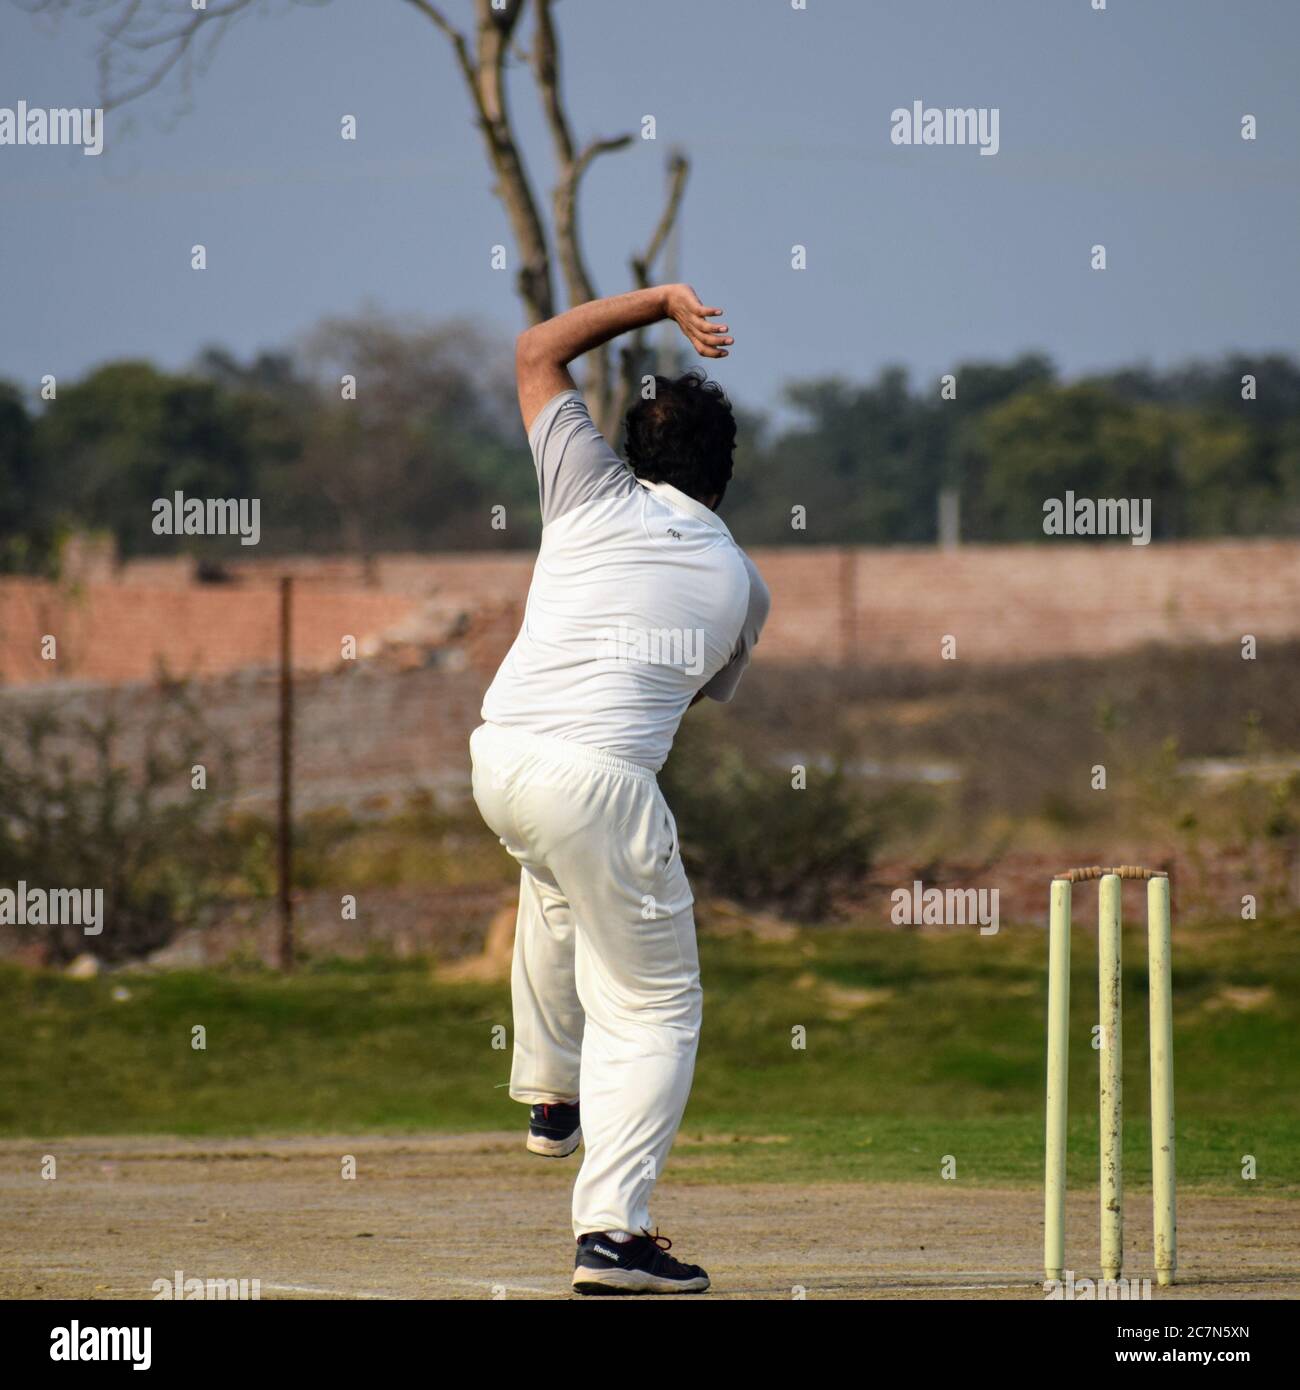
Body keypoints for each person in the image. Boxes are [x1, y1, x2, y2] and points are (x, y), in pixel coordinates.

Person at [469, 284, 769, 1295]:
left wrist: (658, 303)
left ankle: (552, 1096)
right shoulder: (740, 581)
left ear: (634, 454)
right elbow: (682, 706)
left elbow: (534, 351)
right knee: (655, 1005)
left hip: (500, 751)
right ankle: (612, 1232)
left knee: (551, 881)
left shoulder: (585, 487)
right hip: (597, 779)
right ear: (721, 482)